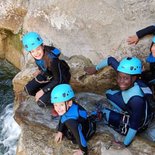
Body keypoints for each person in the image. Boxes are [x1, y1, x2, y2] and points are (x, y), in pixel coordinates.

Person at [84, 56, 153, 146]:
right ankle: (123, 111)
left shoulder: (137, 100)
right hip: (132, 104)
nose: (121, 81)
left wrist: (125, 144)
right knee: (109, 93)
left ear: (134, 78)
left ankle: (121, 115)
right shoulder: (126, 72)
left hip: (138, 124)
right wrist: (95, 68)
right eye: (119, 77)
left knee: (104, 112)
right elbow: (110, 60)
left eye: (125, 78)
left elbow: (134, 126)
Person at [22, 32, 71, 114]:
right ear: (30, 52)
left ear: (42, 46)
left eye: (38, 49)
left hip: (61, 79)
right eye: (32, 51)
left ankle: (57, 104)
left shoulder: (52, 61)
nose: (36, 53)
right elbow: (40, 62)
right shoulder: (38, 55)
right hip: (49, 74)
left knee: (41, 103)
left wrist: (43, 91)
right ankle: (49, 95)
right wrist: (40, 69)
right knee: (28, 89)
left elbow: (58, 80)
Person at [51, 84, 96, 155]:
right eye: (55, 105)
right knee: (61, 124)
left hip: (86, 131)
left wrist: (83, 151)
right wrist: (60, 131)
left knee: (71, 137)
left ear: (69, 103)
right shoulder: (70, 105)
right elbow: (63, 116)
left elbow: (79, 137)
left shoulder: (71, 122)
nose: (58, 109)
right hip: (84, 122)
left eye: (61, 105)